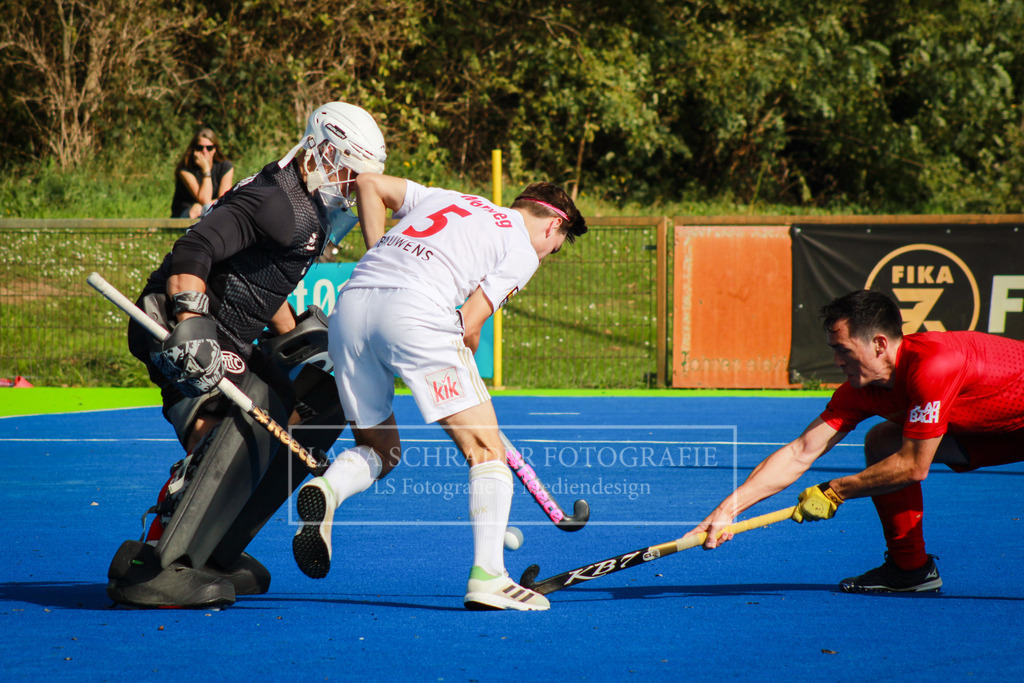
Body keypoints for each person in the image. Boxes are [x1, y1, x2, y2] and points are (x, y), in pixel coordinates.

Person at [107, 102, 387, 609]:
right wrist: (191, 321)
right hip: (179, 323)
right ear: (325, 152)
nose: (354, 188)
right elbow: (194, 250)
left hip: (231, 334)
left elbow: (262, 286)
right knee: (245, 411)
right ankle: (154, 560)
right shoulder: (276, 200)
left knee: (310, 399)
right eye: (349, 172)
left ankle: (212, 547)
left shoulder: (310, 213)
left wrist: (300, 338)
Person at [290, 173, 588, 611]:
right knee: (487, 450)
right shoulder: (523, 248)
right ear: (551, 227)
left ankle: (329, 490)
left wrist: (376, 254)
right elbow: (470, 321)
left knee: (380, 448)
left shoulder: (452, 197)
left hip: (351, 306)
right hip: (414, 312)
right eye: (555, 248)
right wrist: (465, 353)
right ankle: (490, 577)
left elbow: (369, 184)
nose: (548, 254)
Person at [687, 289, 1024, 593]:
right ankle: (911, 570)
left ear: (879, 343)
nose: (836, 362)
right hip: (996, 431)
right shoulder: (861, 390)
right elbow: (801, 451)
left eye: (843, 350)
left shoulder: (934, 365)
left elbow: (913, 466)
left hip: (1004, 424)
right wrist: (726, 510)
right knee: (882, 442)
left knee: (899, 452)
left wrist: (835, 491)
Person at [170, 127, 235, 219]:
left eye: (209, 148)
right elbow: (204, 199)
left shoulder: (225, 167)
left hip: (208, 211)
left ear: (215, 149)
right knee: (201, 210)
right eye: (200, 147)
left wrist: (203, 207)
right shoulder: (185, 170)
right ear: (194, 150)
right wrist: (206, 170)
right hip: (187, 214)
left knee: (212, 209)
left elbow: (223, 200)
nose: (204, 152)